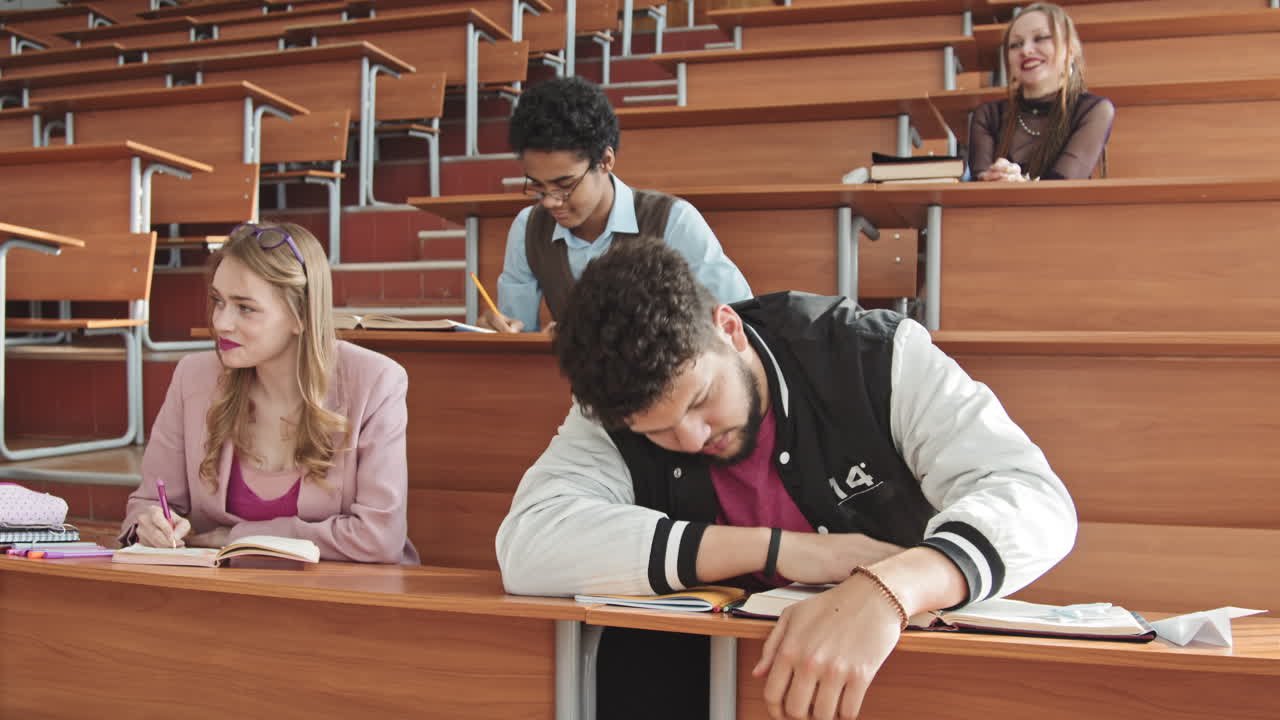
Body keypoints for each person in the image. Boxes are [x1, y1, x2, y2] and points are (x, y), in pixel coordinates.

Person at [496, 242, 1077, 720]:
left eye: (702, 401)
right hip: (714, 685)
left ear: (729, 328)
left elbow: (1034, 499)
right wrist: (788, 551)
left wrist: (889, 589)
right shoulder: (615, 403)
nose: (693, 439)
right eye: (660, 432)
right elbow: (528, 545)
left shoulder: (868, 353)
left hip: (902, 672)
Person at [120, 222, 418, 564]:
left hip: (346, 600)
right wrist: (152, 525)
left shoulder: (377, 381)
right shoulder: (193, 376)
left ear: (300, 315)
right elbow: (146, 506)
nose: (221, 323)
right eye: (218, 301)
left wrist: (237, 538)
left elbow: (379, 538)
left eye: (245, 307)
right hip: (223, 599)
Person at [479, 76, 752, 333]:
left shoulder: (673, 221)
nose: (550, 201)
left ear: (605, 161)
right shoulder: (529, 227)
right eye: (537, 186)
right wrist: (495, 328)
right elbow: (518, 331)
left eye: (565, 185)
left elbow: (741, 320)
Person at [968, 2, 1115, 181]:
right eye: (1015, 44)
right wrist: (994, 178)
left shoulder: (1093, 109)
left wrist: (1019, 185)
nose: (1026, 50)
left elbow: (1065, 184)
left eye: (1040, 38)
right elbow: (978, 185)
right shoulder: (988, 115)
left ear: (1070, 50)